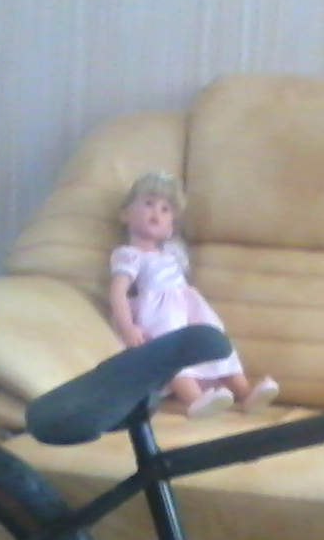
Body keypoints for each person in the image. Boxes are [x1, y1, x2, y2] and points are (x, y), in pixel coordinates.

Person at [108, 171, 278, 419]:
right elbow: (117, 292)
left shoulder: (171, 254)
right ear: (125, 214)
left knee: (214, 340)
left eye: (165, 209)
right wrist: (127, 327)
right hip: (158, 313)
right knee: (174, 351)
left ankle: (245, 393)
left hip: (189, 308)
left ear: (170, 227)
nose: (156, 212)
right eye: (149, 203)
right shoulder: (129, 255)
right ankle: (194, 399)